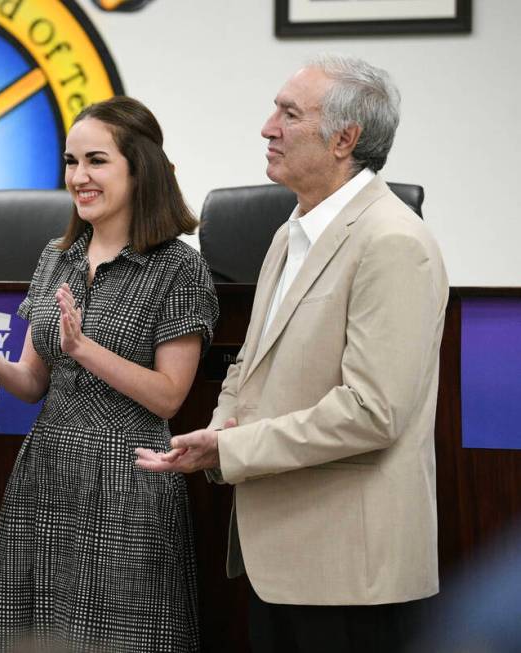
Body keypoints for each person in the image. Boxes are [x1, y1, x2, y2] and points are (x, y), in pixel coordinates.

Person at [136, 54, 449, 653]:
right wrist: (216, 429)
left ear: (345, 139)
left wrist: (230, 447)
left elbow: (371, 411)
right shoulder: (289, 233)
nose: (267, 127)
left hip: (351, 573)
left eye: (289, 113)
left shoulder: (394, 242)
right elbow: (250, 366)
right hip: (277, 558)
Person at [0, 96, 218, 652]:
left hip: (128, 481)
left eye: (96, 161)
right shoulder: (56, 255)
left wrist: (86, 349)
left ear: (141, 169)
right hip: (46, 472)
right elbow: (35, 382)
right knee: (29, 634)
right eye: (70, 161)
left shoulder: (179, 267)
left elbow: (168, 399)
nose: (79, 177)